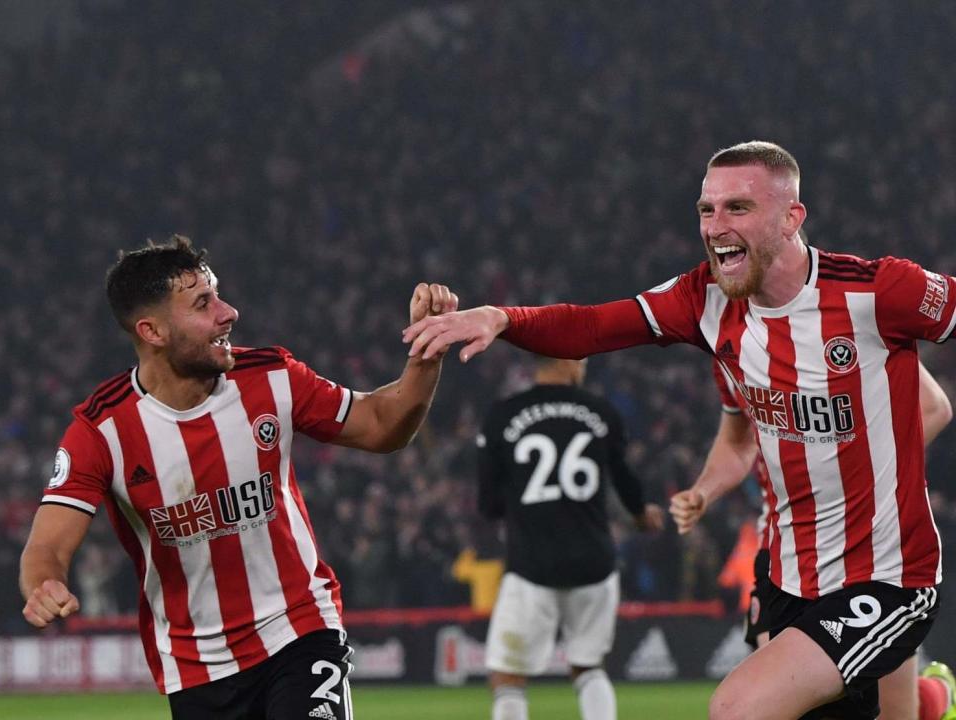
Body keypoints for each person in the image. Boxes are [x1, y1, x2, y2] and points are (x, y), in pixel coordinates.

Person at [403, 141, 952, 720]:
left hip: (887, 579)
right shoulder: (706, 300)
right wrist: (502, 318)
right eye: (706, 210)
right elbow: (592, 326)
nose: (716, 226)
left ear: (792, 218)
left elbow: (936, 397)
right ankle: (932, 700)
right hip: (786, 577)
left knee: (739, 709)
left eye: (737, 208)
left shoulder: (877, 292)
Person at [20, 235, 457, 720]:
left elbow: (382, 425)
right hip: (197, 666)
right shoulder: (100, 431)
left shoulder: (271, 377)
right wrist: (44, 584)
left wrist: (425, 354)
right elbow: (47, 549)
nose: (229, 313)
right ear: (153, 330)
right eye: (204, 303)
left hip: (298, 630)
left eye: (218, 295)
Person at [670, 356, 956, 720]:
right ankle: (934, 698)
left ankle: (934, 697)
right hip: (784, 560)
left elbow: (934, 408)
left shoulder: (851, 319)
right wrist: (704, 491)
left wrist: (851, 479)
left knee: (897, 714)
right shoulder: (730, 342)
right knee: (778, 703)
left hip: (873, 553)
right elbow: (738, 444)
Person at [477, 356, 663, 720]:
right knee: (589, 667)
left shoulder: (502, 415)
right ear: (567, 361)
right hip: (594, 561)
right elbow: (624, 480)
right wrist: (642, 514)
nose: (584, 366)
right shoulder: (600, 412)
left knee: (508, 677)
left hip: (533, 562)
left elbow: (488, 503)